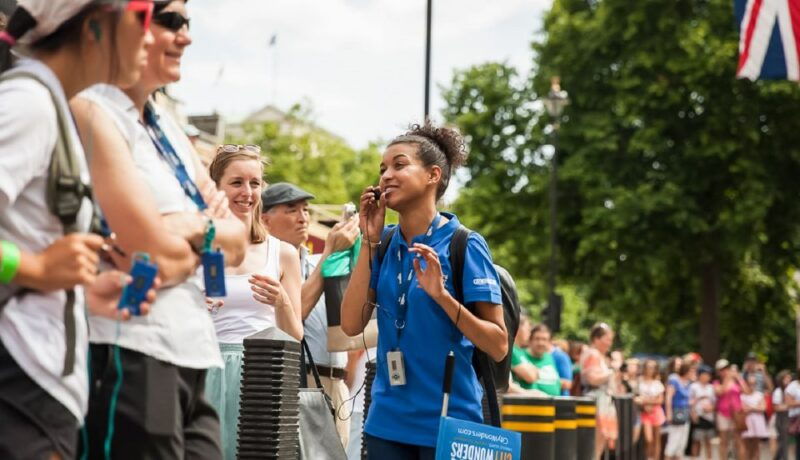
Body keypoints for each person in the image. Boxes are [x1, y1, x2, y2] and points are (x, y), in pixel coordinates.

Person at [71, 1, 250, 457]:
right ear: (127, 23)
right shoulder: (91, 110)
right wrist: (202, 227)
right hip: (128, 349)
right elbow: (147, 253)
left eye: (187, 23)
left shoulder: (168, 127)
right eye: (170, 21)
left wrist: (185, 226)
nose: (185, 36)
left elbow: (238, 241)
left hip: (193, 350)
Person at [0, 1, 160, 458]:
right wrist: (33, 266)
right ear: (94, 25)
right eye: (144, 16)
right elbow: (30, 262)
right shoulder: (28, 104)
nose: (149, 37)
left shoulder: (48, 105)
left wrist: (81, 293)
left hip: (38, 395)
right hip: (19, 390)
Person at [340, 121, 508, 459]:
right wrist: (368, 241)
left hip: (450, 422)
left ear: (433, 175)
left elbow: (498, 345)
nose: (386, 175)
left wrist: (442, 297)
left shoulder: (465, 245)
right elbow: (350, 324)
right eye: (383, 168)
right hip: (386, 420)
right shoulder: (383, 242)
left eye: (399, 165)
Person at [203, 147, 303, 460]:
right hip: (205, 368)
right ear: (217, 186)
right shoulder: (199, 246)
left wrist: (282, 302)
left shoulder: (282, 252)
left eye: (255, 183)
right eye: (236, 183)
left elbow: (295, 336)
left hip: (262, 373)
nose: (247, 192)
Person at [261, 181, 361, 448]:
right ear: (264, 219)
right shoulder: (265, 261)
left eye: (305, 209)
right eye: (291, 209)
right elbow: (295, 314)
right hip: (298, 380)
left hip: (336, 386)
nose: (303, 217)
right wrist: (331, 252)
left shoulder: (317, 262)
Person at [580, 323, 618, 458]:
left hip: (603, 400)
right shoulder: (593, 354)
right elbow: (592, 379)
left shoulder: (599, 355)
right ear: (596, 339)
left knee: (602, 438)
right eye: (607, 339)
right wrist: (612, 371)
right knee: (596, 439)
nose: (610, 343)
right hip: (596, 399)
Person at [715, 359, 745, 460]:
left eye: (726, 368)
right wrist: (728, 378)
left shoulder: (737, 381)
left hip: (737, 414)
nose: (725, 371)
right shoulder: (716, 382)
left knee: (738, 441)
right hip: (723, 414)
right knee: (724, 441)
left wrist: (739, 378)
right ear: (718, 371)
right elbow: (721, 391)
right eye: (722, 369)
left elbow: (747, 391)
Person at [664, 362, 695, 460]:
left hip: (685, 414)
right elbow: (668, 397)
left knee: (681, 443)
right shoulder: (674, 380)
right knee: (673, 441)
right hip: (676, 413)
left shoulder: (688, 383)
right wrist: (668, 413)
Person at [524, 323, 562, 396]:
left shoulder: (549, 357)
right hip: (532, 405)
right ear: (530, 340)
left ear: (549, 342)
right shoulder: (521, 356)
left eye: (544, 339)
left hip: (553, 404)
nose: (540, 343)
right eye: (537, 339)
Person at [637, 359, 664, 460]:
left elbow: (660, 400)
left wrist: (646, 401)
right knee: (648, 439)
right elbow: (637, 397)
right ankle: (648, 457)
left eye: (652, 367)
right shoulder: (640, 381)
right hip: (645, 413)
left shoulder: (657, 383)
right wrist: (648, 402)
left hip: (656, 412)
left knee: (657, 439)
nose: (650, 369)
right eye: (648, 367)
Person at [689, 365, 716, 460]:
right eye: (705, 374)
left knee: (708, 442)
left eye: (709, 375)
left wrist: (711, 408)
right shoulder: (693, 386)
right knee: (696, 441)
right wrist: (693, 415)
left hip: (709, 417)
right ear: (700, 375)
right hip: (698, 417)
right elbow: (690, 402)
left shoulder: (711, 388)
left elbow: (715, 403)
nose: (707, 376)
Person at [740, 372, 768, 459]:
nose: (752, 386)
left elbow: (763, 408)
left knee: (756, 446)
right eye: (750, 384)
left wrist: (751, 408)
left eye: (754, 384)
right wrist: (756, 407)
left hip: (757, 422)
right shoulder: (742, 396)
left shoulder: (759, 395)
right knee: (747, 446)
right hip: (747, 422)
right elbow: (743, 409)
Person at [510, 314, 538, 389]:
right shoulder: (511, 350)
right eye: (528, 329)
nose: (530, 333)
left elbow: (536, 374)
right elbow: (530, 376)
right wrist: (532, 369)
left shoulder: (521, 351)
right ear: (518, 328)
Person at [772, 370, 792, 460]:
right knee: (784, 442)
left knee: (784, 442)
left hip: (788, 417)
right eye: (786, 378)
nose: (788, 380)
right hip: (781, 418)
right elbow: (776, 407)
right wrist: (789, 406)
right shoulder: (778, 391)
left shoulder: (790, 391)